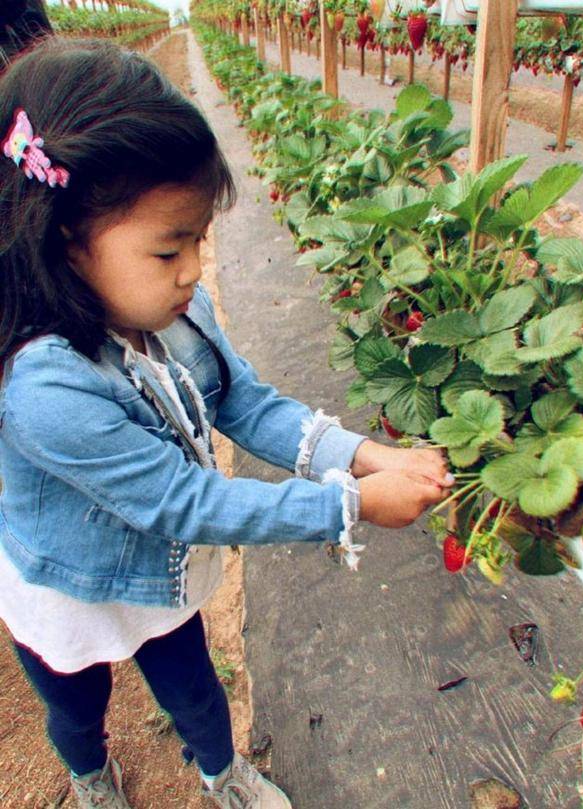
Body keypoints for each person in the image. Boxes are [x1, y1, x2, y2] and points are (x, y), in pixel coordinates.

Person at [0, 34, 453, 809]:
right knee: (75, 709)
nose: (192, 269)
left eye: (201, 240)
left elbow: (242, 400)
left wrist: (365, 454)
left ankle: (221, 771)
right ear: (66, 239)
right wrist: (348, 504)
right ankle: (89, 776)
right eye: (170, 248)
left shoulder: (173, 311)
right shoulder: (44, 388)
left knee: (197, 690)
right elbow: (185, 501)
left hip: (155, 574)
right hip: (70, 586)